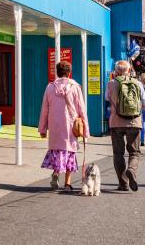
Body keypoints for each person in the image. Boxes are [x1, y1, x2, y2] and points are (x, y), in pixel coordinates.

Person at [39, 61, 90, 192]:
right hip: (70, 126)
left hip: (55, 126)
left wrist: (42, 129)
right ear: (69, 72)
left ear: (57, 72)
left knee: (57, 151)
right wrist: (85, 132)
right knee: (69, 154)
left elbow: (44, 109)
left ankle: (56, 173)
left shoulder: (50, 87)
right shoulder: (75, 87)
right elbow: (82, 110)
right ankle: (67, 183)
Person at [107, 60, 145, 191]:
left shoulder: (111, 84)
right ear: (129, 70)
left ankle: (123, 183)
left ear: (116, 71)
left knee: (118, 153)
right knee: (134, 152)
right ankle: (131, 169)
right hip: (134, 121)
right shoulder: (138, 83)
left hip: (116, 122)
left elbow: (107, 99)